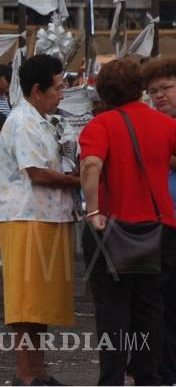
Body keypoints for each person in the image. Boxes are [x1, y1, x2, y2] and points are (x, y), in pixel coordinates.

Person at [80, 58, 176, 385]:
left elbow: (91, 165)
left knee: (112, 312)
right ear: (139, 87)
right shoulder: (165, 125)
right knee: (151, 310)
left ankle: (112, 379)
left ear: (103, 90)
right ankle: (148, 377)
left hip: (112, 230)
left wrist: (93, 211)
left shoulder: (100, 124)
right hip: (159, 228)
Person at [0, 53, 81, 387]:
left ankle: (39, 371)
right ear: (36, 90)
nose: (62, 94)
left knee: (41, 304)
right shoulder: (22, 122)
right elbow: (37, 173)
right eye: (58, 88)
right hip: (26, 217)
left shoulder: (44, 120)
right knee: (27, 305)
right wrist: (81, 183)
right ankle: (26, 374)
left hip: (48, 217)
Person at [142, 56, 176, 384]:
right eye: (153, 91)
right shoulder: (151, 125)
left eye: (165, 87)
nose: (159, 96)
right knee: (163, 306)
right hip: (160, 228)